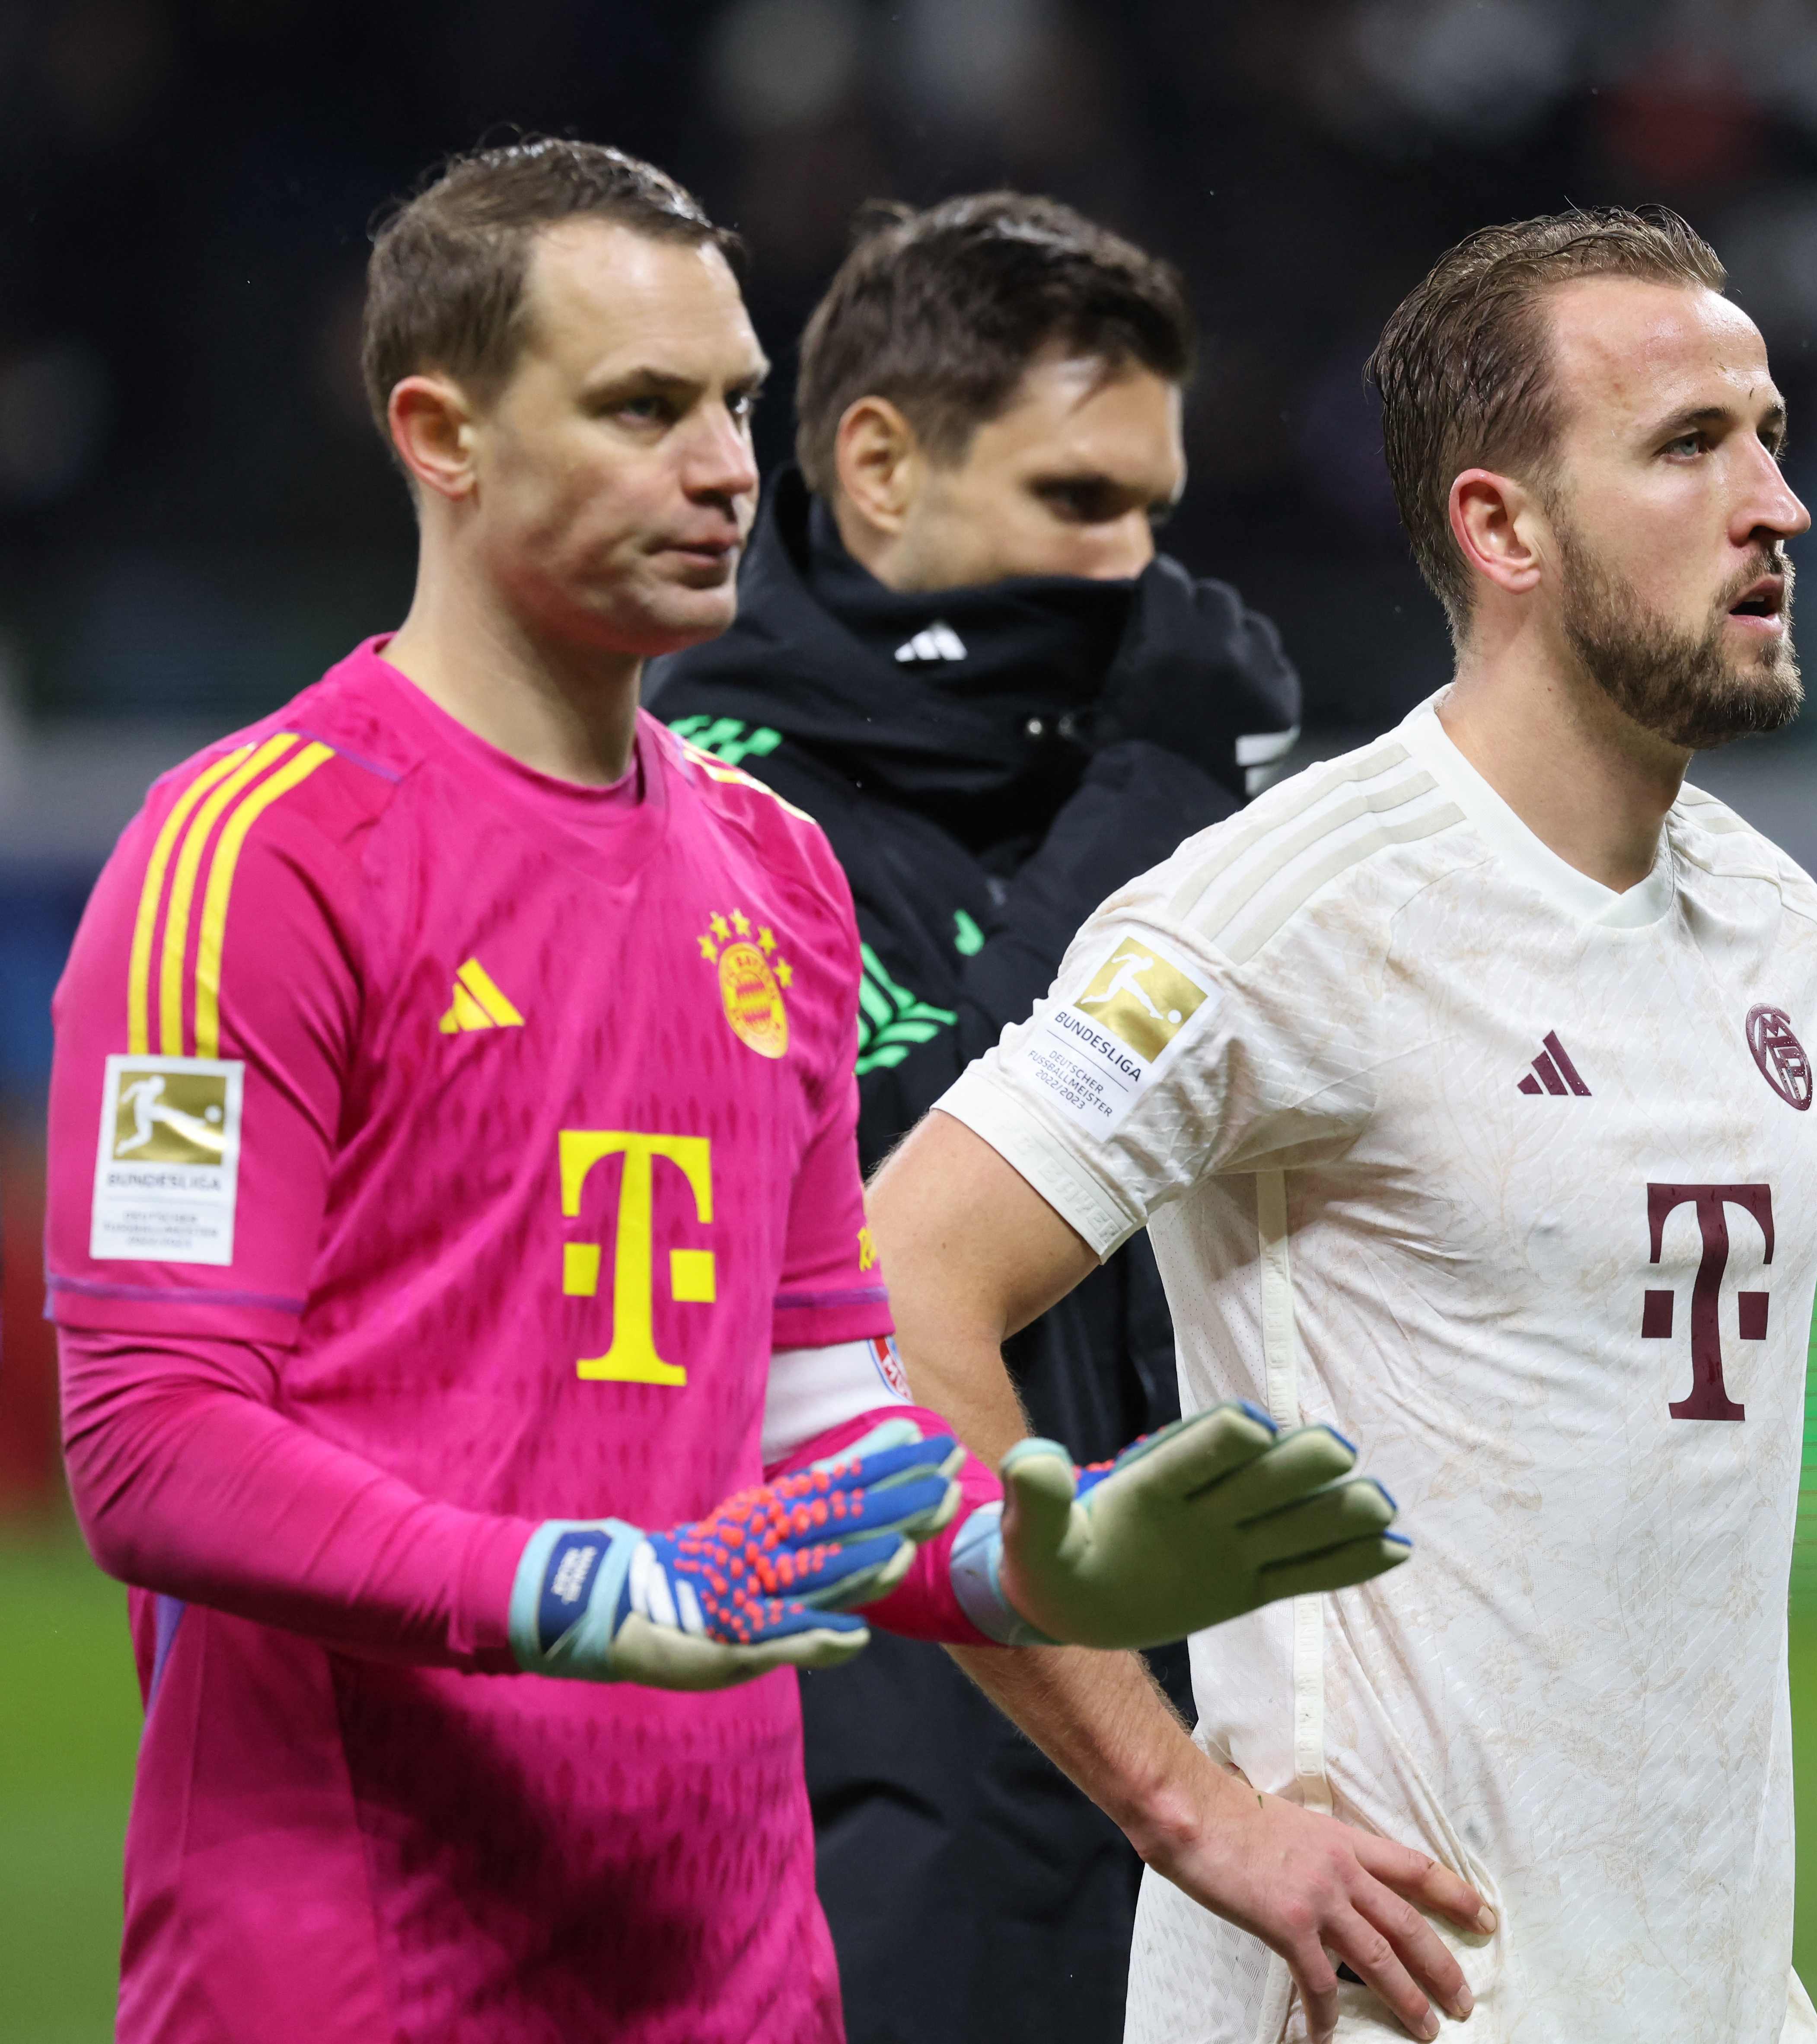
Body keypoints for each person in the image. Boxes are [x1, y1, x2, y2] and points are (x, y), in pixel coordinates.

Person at [44, 139, 1402, 2044]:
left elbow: (822, 1405)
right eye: (641, 408)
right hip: (355, 1972)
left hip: (736, 1973)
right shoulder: (255, 858)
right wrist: (583, 1584)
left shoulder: (775, 874)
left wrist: (1025, 1556)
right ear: (441, 432)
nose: (721, 470)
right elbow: (153, 1442)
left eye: (738, 405)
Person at [864, 206, 1817, 2044]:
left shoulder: (1775, 919)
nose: (1776, 502)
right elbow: (892, 1296)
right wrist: (1189, 1811)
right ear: (1503, 527)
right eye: (1692, 446)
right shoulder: (1287, 912)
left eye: (1771, 433)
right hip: (1393, 1999)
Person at [647, 191, 1301, 2042]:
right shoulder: (696, 794)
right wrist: (1165, 795)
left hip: (1184, 1740)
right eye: (1079, 504)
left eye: (1157, 511)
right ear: (877, 467)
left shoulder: (1118, 781)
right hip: (862, 1763)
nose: (1137, 572)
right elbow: (896, 1194)